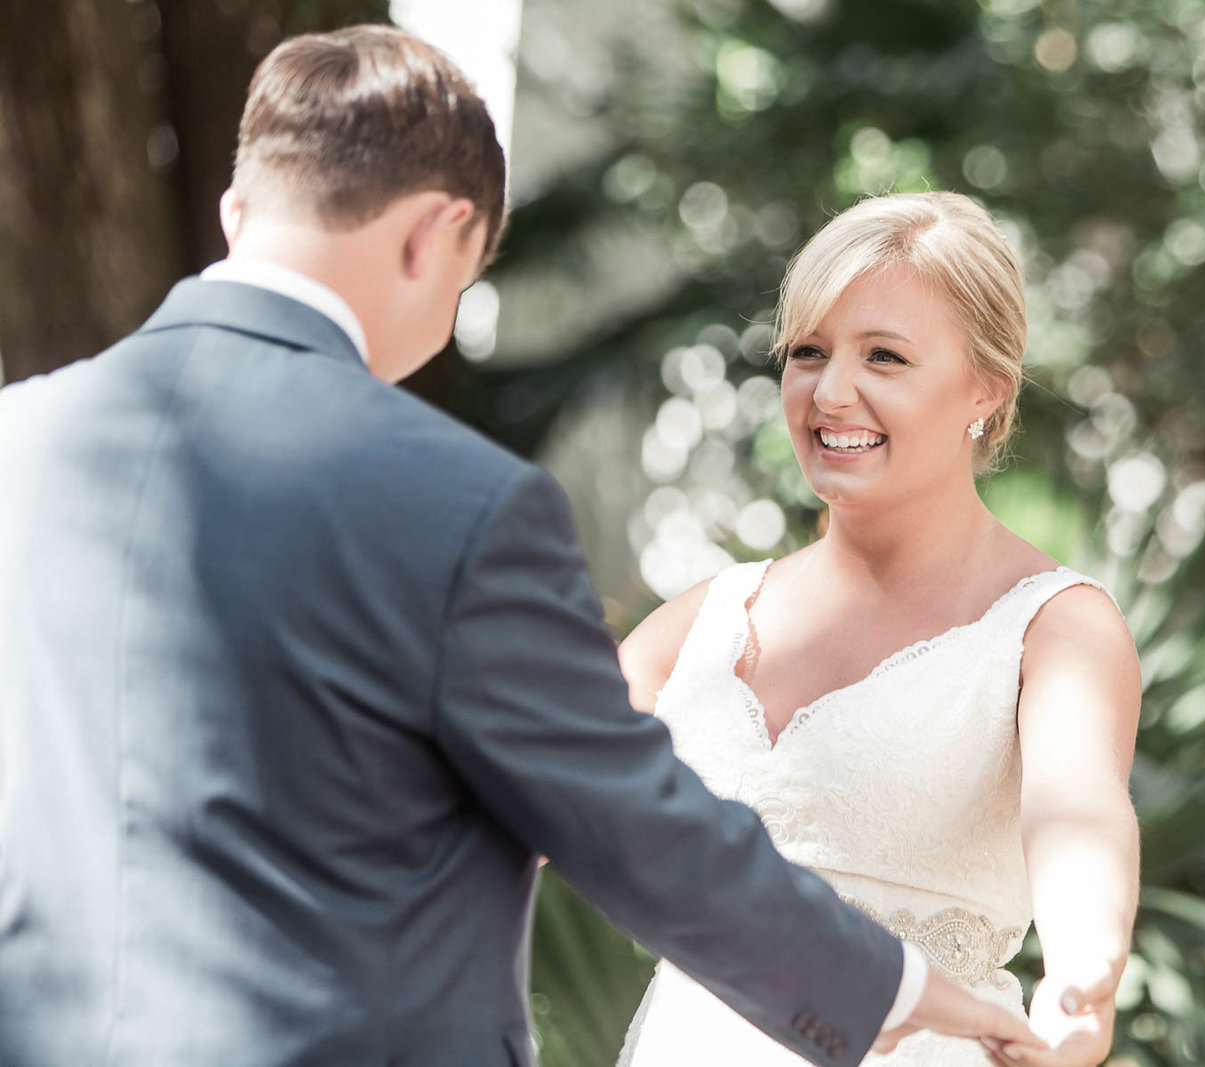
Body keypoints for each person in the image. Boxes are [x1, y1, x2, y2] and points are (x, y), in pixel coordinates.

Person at [0, 28, 1043, 1067]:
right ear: (436, 236)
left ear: (237, 212)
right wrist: (903, 987)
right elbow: (628, 820)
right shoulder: (459, 502)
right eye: (468, 276)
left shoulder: (18, 444)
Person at [616, 192, 1143, 1067]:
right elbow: (536, 775)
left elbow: (1077, 812)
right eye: (809, 352)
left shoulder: (1056, 628)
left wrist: (1083, 980)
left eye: (885, 356)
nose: (831, 391)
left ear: (986, 387)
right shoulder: (701, 622)